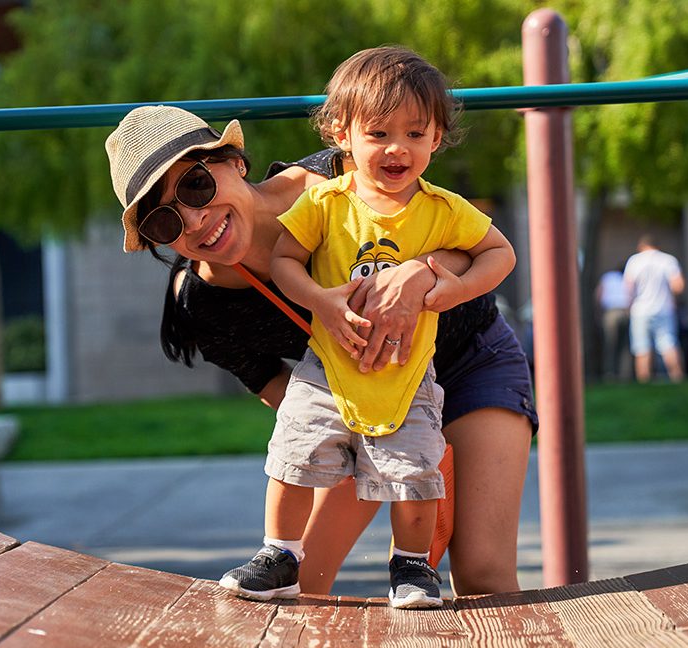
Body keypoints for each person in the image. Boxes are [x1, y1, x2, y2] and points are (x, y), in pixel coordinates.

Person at [104, 103, 537, 597]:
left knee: (482, 574)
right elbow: (277, 388)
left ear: (234, 162)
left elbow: (468, 239)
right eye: (165, 222)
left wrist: (420, 270)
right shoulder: (204, 302)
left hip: (469, 360)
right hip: (357, 399)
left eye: (195, 185)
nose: (197, 219)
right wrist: (368, 436)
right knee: (302, 581)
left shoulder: (347, 172)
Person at [212, 47, 516, 609]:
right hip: (328, 368)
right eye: (377, 132)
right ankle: (279, 553)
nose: (397, 148)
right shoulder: (326, 201)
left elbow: (500, 253)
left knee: (416, 471)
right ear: (341, 135)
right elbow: (285, 260)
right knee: (293, 456)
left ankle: (411, 565)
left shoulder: (444, 208)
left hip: (412, 374)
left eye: (415, 133)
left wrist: (447, 286)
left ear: (437, 138)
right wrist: (320, 302)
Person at [623, 234, 686, 383]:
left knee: (641, 348)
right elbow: (679, 286)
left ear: (641, 247)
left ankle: (644, 383)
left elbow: (628, 288)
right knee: (668, 345)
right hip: (664, 309)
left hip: (640, 311)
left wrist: (628, 306)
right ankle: (677, 379)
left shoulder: (634, 261)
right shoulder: (668, 260)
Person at [595, 264, 631, 381]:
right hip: (626, 312)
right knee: (625, 345)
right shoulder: (628, 277)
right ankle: (625, 375)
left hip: (611, 313)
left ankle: (610, 374)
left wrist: (599, 313)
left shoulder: (608, 277)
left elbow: (598, 295)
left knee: (610, 344)